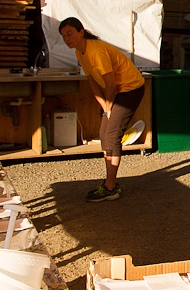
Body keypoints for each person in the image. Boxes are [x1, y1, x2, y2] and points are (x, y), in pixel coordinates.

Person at [59, 17, 146, 202]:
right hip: (115, 92)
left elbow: (110, 85)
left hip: (130, 89)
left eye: (70, 34)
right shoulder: (79, 53)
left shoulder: (96, 50)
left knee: (112, 135)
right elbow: (93, 83)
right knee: (104, 133)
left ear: (81, 32)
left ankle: (110, 187)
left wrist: (109, 106)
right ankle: (110, 182)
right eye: (63, 36)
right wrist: (105, 106)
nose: (67, 39)